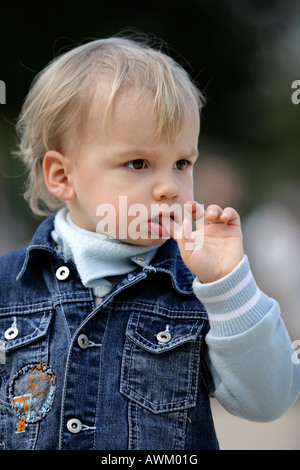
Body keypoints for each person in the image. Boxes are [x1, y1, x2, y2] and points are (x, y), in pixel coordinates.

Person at [0, 36, 299, 451]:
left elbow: (269, 400)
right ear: (62, 176)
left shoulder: (199, 286)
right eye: (137, 163)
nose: (168, 187)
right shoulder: (9, 286)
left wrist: (229, 284)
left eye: (182, 163)